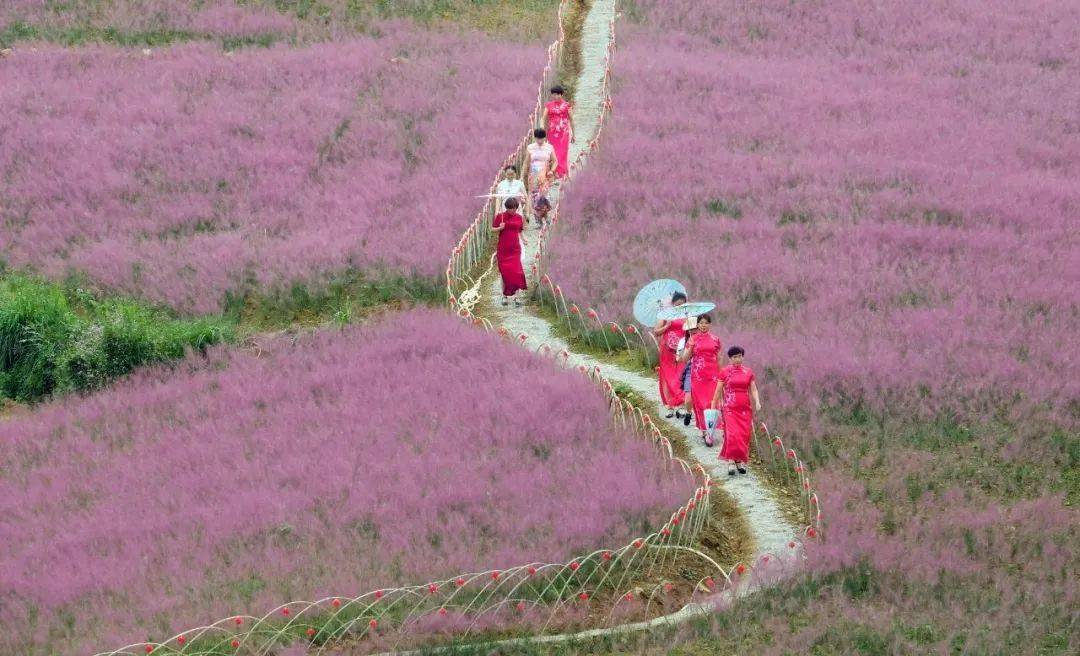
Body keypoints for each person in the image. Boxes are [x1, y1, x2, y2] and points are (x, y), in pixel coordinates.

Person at [712, 346, 761, 475]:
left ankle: (739, 460)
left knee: (744, 436)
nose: (738, 359)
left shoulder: (748, 372)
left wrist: (757, 401)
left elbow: (753, 389)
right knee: (733, 435)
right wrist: (713, 405)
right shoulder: (724, 372)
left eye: (740, 356)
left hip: (745, 408)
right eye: (735, 357)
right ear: (730, 358)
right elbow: (718, 391)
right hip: (729, 408)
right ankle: (731, 462)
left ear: (742, 357)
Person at [679, 314, 722, 446]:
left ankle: (710, 432)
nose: (703, 325)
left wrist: (722, 375)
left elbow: (719, 358)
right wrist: (689, 346)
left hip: (713, 375)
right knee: (701, 403)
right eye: (701, 323)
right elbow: (684, 359)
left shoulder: (716, 339)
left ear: (710, 324)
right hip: (697, 375)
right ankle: (704, 430)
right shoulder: (693, 339)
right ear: (697, 325)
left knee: (712, 403)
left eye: (706, 323)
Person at [653, 292, 688, 419]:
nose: (680, 306)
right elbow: (656, 332)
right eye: (677, 304)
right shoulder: (665, 315)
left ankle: (682, 404)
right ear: (673, 304)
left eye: (683, 303)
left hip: (683, 349)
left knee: (682, 374)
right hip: (667, 349)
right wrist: (667, 326)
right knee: (667, 375)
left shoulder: (688, 315)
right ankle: (669, 406)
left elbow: (693, 331)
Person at [492, 197, 527, 305]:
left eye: (515, 208)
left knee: (517, 272)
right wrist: (500, 228)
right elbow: (493, 229)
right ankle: (504, 296)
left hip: (515, 249)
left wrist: (525, 239)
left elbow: (520, 231)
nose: (513, 210)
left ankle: (517, 297)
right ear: (507, 207)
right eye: (511, 208)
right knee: (505, 273)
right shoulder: (500, 216)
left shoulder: (519, 217)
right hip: (503, 249)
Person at [542, 85, 574, 178]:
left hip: (564, 132)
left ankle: (562, 172)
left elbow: (571, 119)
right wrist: (544, 130)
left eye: (557, 94)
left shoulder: (567, 105)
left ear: (561, 94)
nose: (555, 96)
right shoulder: (548, 105)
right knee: (554, 151)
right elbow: (544, 117)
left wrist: (573, 133)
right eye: (553, 94)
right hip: (552, 132)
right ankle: (555, 171)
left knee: (563, 151)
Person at [526, 128, 557, 202]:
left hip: (545, 173)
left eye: (542, 139)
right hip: (533, 174)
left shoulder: (549, 147)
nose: (540, 141)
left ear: (545, 137)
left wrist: (552, 171)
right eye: (538, 139)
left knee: (544, 194)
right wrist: (524, 175)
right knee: (534, 195)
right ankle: (535, 212)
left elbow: (555, 161)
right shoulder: (530, 147)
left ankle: (544, 211)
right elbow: (526, 162)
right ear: (535, 138)